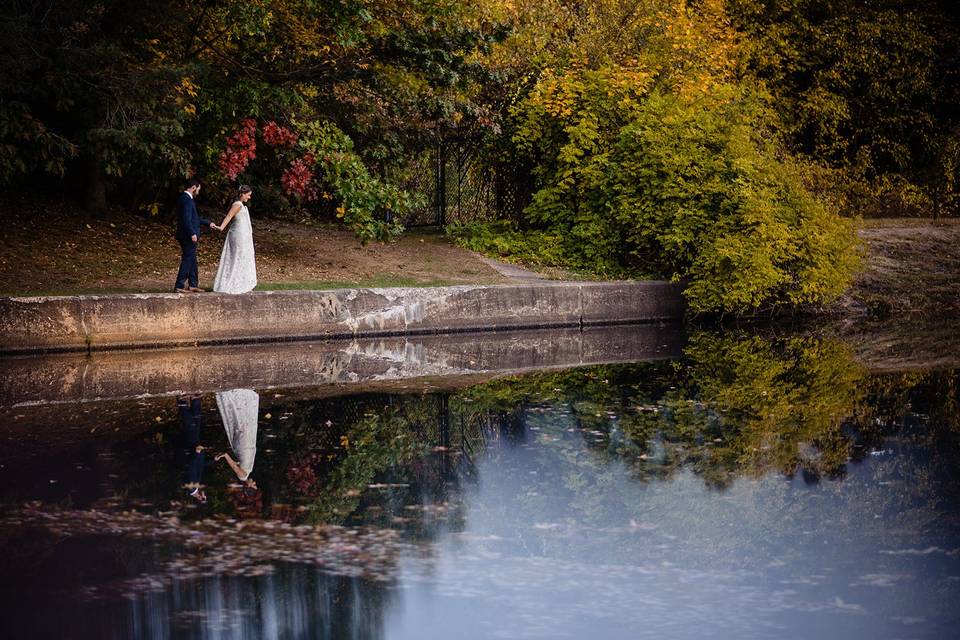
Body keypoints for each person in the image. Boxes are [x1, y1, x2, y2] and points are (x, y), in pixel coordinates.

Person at [174, 178, 217, 293]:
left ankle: (193, 284)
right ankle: (179, 285)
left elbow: (194, 218)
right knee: (188, 259)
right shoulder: (186, 200)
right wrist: (192, 233)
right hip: (187, 235)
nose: (198, 191)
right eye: (198, 189)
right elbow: (186, 220)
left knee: (192, 259)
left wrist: (208, 223)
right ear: (193, 188)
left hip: (186, 234)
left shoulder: (186, 199)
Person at [212, 185, 257, 294]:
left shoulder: (241, 205)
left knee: (242, 257)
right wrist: (221, 227)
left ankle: (243, 282)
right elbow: (229, 215)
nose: (249, 197)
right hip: (238, 234)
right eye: (248, 195)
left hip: (243, 234)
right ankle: (233, 282)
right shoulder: (237, 205)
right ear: (242, 194)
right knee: (238, 257)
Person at [214, 388, 259, 492]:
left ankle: (234, 398)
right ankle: (239, 399)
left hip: (244, 445)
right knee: (243, 422)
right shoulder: (247, 473)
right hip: (247, 445)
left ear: (248, 486)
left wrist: (225, 455)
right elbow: (238, 462)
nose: (254, 482)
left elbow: (234, 466)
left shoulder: (243, 476)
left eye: (253, 485)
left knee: (241, 423)